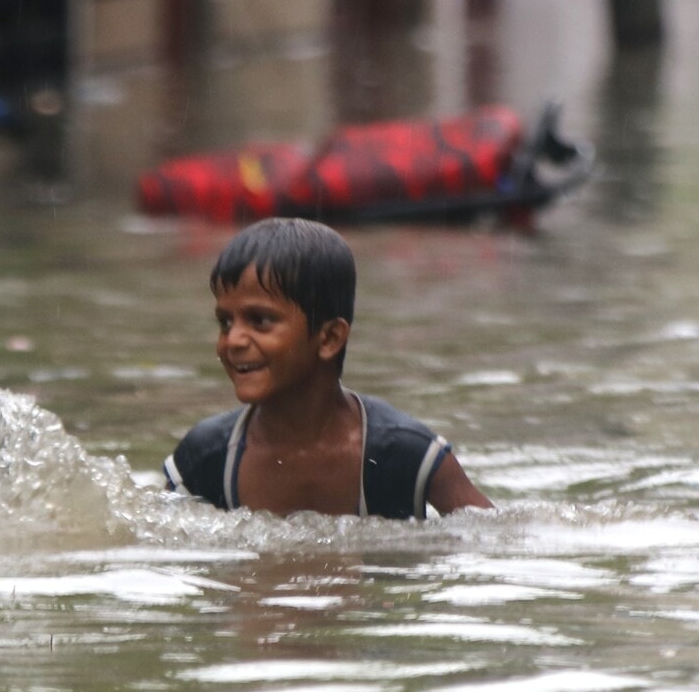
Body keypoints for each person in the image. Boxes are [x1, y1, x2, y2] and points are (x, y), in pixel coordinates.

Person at [163, 217, 494, 520]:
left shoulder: (403, 454)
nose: (232, 340)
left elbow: (495, 543)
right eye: (225, 322)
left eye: (260, 321)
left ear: (329, 338)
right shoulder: (206, 458)